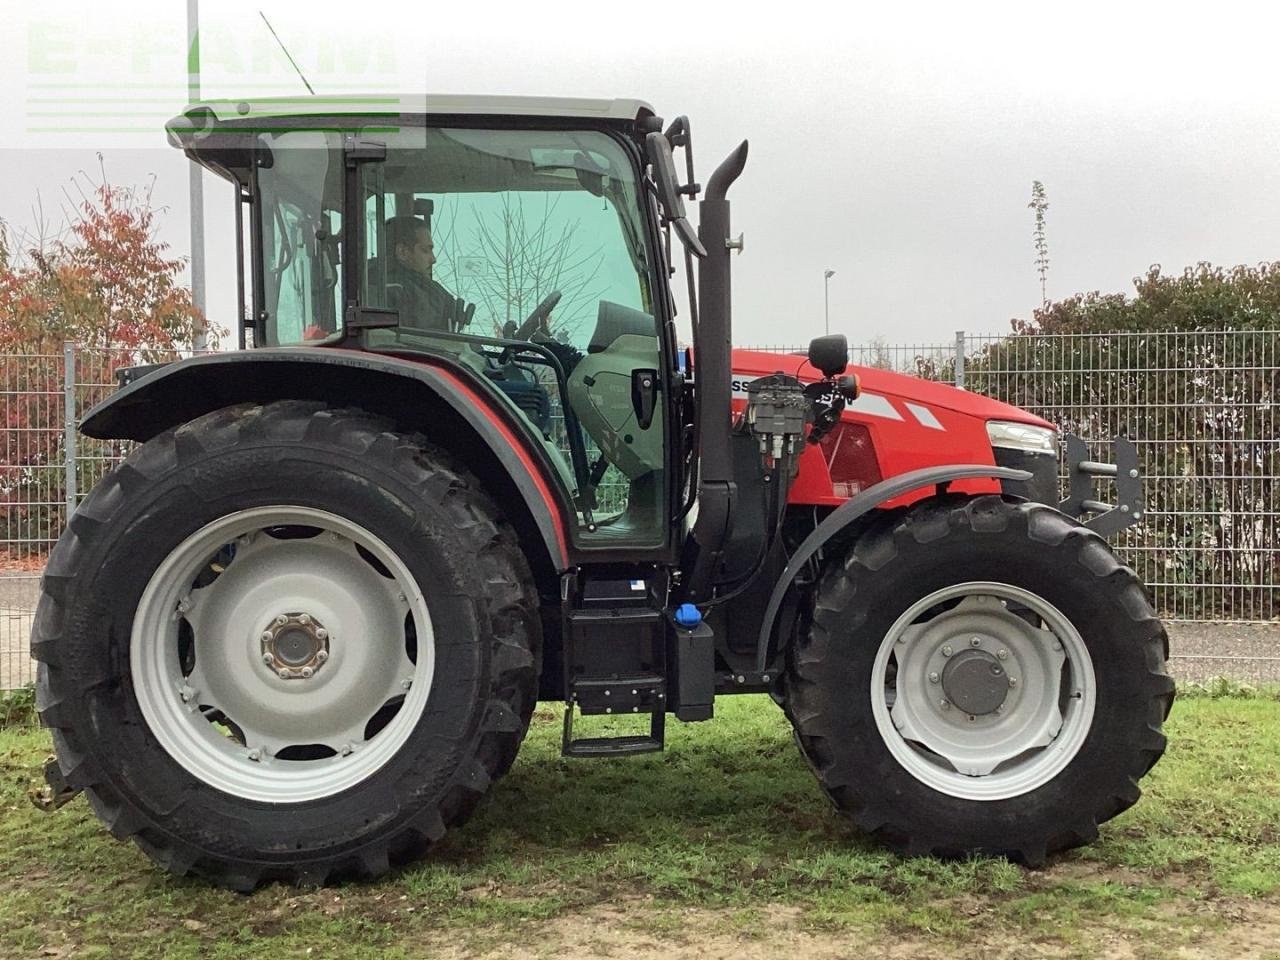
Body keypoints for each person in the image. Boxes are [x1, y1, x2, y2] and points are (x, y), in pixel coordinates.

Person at [384, 215, 471, 331]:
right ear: (403, 252)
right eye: (425, 250)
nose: (433, 259)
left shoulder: (428, 289)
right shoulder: (395, 290)